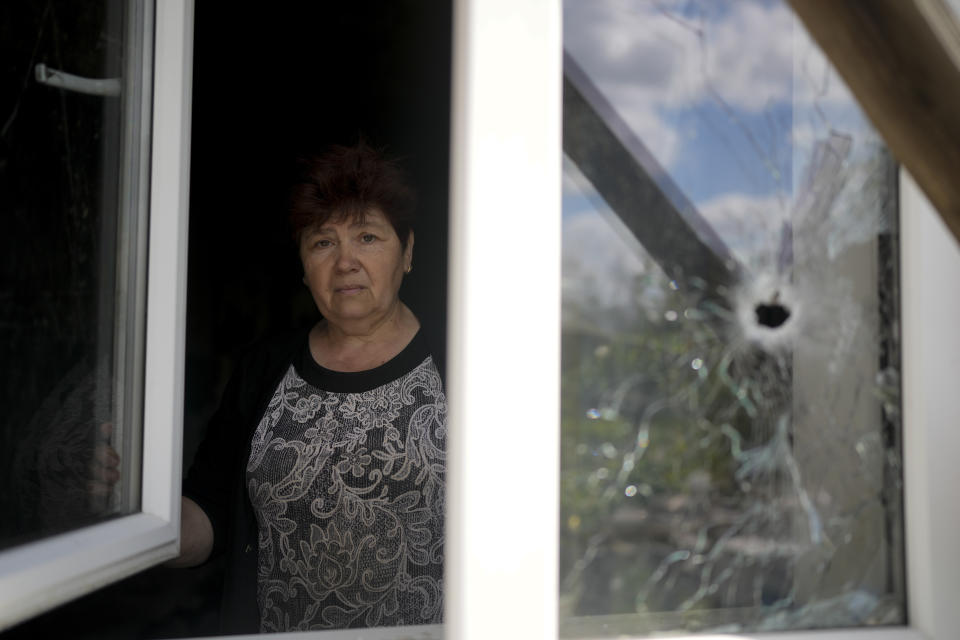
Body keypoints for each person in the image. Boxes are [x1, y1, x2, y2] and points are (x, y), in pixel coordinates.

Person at [174, 143, 447, 634]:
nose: (346, 262)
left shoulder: (462, 362)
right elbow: (209, 514)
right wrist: (131, 512)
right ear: (303, 267)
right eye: (323, 243)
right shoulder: (266, 367)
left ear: (407, 252)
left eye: (367, 236)